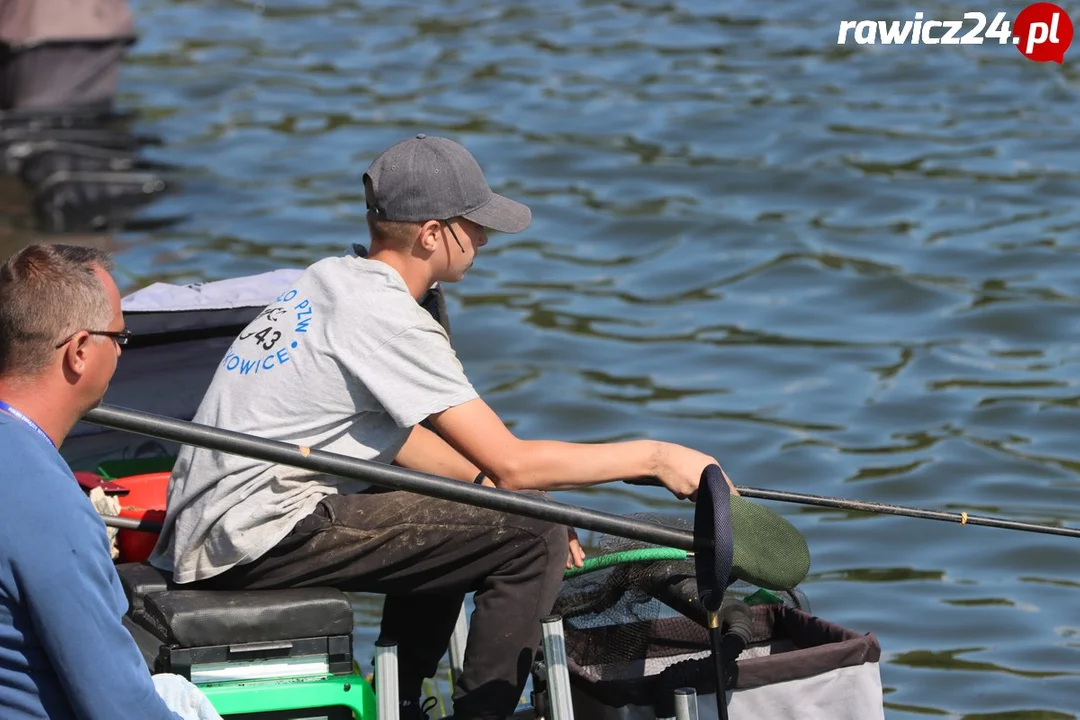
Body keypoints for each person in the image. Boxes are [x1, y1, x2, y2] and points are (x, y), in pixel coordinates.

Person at [149, 134, 738, 720]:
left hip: (210, 524)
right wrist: (659, 458)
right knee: (533, 537)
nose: (484, 238)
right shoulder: (386, 317)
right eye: (473, 224)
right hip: (253, 534)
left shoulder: (332, 278)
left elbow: (409, 445)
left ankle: (402, 703)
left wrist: (527, 496)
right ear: (432, 234)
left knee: (485, 507)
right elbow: (513, 461)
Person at [0, 244, 217, 720]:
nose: (121, 350)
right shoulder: (45, 499)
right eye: (119, 336)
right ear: (79, 351)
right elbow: (119, 708)